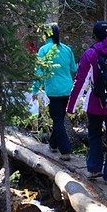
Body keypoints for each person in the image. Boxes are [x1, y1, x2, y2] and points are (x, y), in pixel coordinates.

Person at [66, 20, 107, 185]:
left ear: (95, 36)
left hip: (95, 105)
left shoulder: (91, 54)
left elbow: (80, 82)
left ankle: (94, 169)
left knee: (94, 136)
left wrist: (71, 106)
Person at [32, 24, 78, 161]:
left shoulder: (43, 50)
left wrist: (35, 90)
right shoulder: (67, 49)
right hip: (67, 89)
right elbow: (74, 69)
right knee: (59, 117)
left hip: (53, 90)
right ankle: (53, 144)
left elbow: (39, 72)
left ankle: (65, 150)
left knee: (57, 119)